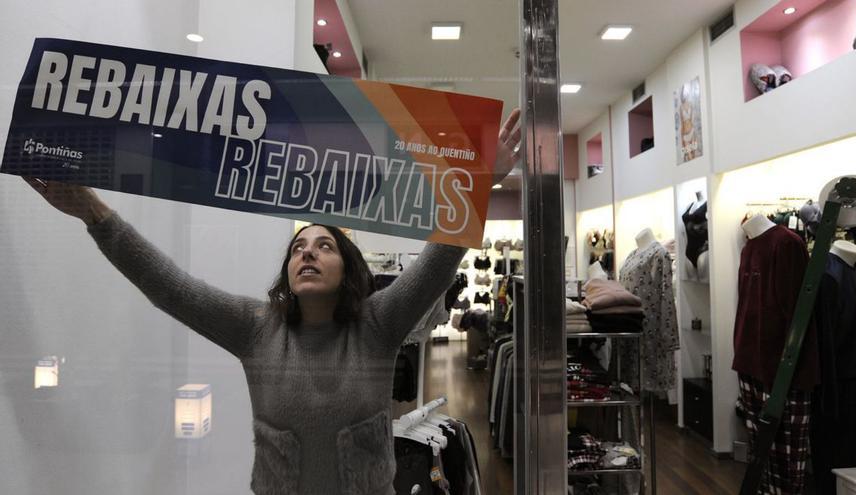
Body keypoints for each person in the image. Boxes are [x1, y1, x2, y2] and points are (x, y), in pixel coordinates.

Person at [22, 109, 521, 495]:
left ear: (347, 268)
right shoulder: (256, 328)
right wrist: (94, 212)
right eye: (298, 248)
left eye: (324, 246)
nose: (307, 253)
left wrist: (482, 180)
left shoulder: (377, 324)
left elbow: (439, 260)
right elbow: (169, 286)